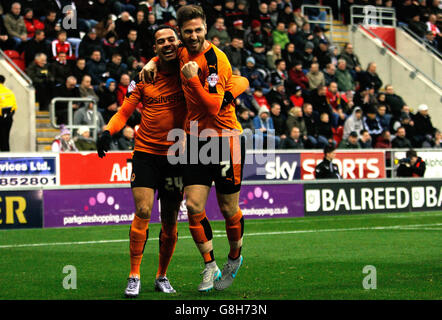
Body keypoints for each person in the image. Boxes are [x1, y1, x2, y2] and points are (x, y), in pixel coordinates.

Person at [140, 5, 250, 292]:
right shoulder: (180, 52)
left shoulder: (215, 59)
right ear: (180, 33)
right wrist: (151, 63)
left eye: (197, 30)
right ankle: (210, 265)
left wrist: (191, 79)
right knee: (193, 206)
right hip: (195, 140)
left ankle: (235, 257)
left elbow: (213, 107)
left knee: (229, 209)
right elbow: (162, 55)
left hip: (226, 139)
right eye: (187, 31)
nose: (193, 35)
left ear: (205, 29)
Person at [97, 26, 187, 297]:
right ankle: (134, 274)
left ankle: (162, 275)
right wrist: (107, 131)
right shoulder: (144, 76)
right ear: (155, 48)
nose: (167, 43)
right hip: (146, 153)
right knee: (144, 211)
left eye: (171, 39)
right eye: (161, 41)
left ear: (178, 42)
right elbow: (124, 111)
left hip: (176, 157)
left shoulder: (189, 69)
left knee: (170, 219)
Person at [0, 75, 17, 151]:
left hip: (0, 117)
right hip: (8, 117)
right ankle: (6, 158)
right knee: (5, 139)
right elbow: (14, 106)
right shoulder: (9, 92)